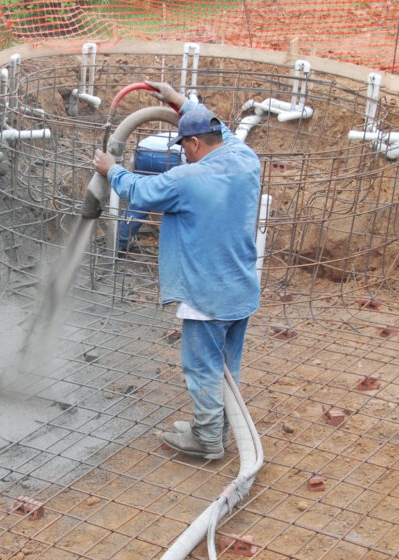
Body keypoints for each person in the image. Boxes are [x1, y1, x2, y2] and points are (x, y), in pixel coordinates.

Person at [92, 81, 261, 460]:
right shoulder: (246, 158)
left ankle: (206, 440)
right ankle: (218, 427)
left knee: (201, 368)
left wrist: (111, 168)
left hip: (206, 294)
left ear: (196, 144)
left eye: (183, 146)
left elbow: (141, 191)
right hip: (241, 289)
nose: (183, 154)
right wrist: (181, 103)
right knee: (226, 368)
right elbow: (226, 131)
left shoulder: (189, 180)